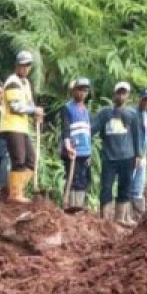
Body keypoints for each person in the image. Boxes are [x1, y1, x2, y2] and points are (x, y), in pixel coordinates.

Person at [92, 82, 141, 225]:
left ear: (128, 96)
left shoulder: (132, 114)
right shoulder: (105, 113)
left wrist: (138, 155)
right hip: (109, 157)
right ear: (113, 95)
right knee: (106, 186)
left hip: (128, 156)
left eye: (124, 93)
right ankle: (105, 219)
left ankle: (120, 217)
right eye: (118, 93)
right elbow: (93, 129)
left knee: (125, 186)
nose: (121, 96)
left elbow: (137, 135)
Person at [0, 51, 44, 203]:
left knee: (31, 160)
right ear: (16, 66)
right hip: (12, 126)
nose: (24, 69)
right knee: (19, 159)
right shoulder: (13, 81)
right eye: (22, 65)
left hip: (22, 127)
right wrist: (33, 110)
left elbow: (29, 103)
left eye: (27, 66)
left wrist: (36, 112)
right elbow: (15, 107)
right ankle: (14, 194)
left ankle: (16, 188)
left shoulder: (25, 83)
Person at [61, 77, 93, 212]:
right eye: (80, 90)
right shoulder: (68, 108)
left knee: (83, 179)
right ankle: (71, 206)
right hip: (73, 150)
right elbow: (66, 129)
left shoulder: (85, 109)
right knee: (73, 178)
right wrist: (68, 146)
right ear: (74, 91)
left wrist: (90, 152)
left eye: (85, 91)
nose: (82, 93)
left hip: (85, 151)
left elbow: (87, 132)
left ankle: (79, 206)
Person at [132, 88, 147, 217]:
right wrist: (136, 154)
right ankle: (126, 214)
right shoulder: (133, 114)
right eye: (145, 99)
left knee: (139, 187)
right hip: (134, 156)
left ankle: (137, 216)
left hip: (144, 155)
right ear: (139, 98)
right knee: (130, 184)